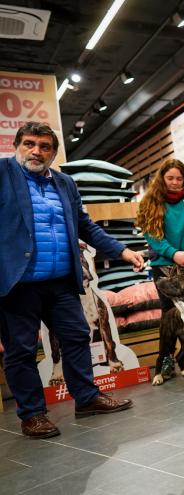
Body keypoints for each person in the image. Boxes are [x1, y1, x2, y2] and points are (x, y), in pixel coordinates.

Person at [0, 121, 144, 438]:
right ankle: (33, 415)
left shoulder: (64, 183)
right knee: (21, 350)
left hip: (61, 280)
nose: (36, 151)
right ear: (17, 146)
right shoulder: (3, 173)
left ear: (54, 153)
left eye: (44, 146)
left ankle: (87, 398)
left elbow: (85, 226)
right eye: (29, 144)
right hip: (17, 283)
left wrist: (122, 251)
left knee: (78, 337)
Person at [137, 158, 184, 311]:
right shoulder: (150, 202)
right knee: (172, 315)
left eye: (179, 178)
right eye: (170, 178)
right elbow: (152, 235)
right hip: (164, 266)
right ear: (162, 179)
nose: (175, 182)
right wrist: (173, 254)